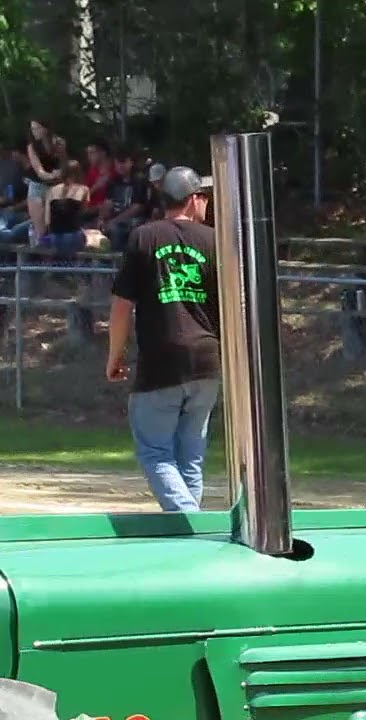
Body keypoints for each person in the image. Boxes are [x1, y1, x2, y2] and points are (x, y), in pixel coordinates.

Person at [106, 166, 220, 513]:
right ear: (193, 199)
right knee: (190, 456)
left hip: (161, 359)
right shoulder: (215, 241)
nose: (206, 203)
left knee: (155, 452)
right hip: (207, 360)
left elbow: (122, 306)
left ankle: (189, 519)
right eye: (203, 196)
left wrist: (115, 355)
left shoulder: (144, 237)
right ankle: (189, 530)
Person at [98, 148, 152, 251]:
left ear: (131, 162)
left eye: (124, 162)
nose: (120, 165)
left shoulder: (139, 180)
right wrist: (101, 219)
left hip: (137, 220)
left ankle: (119, 258)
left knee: (116, 230)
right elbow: (108, 203)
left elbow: (137, 208)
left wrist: (115, 221)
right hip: (116, 219)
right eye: (118, 162)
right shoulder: (113, 181)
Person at [40, 160, 90, 255]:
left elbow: (47, 220)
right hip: (72, 235)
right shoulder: (84, 189)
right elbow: (83, 213)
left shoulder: (51, 190)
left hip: (53, 237)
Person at [25, 120, 62, 241]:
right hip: (38, 186)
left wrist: (60, 173)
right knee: (41, 231)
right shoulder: (32, 147)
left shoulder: (58, 143)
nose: (34, 132)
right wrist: (53, 175)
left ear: (45, 129)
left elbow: (64, 164)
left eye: (37, 128)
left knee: (54, 226)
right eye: (32, 129)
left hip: (55, 187)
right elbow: (39, 171)